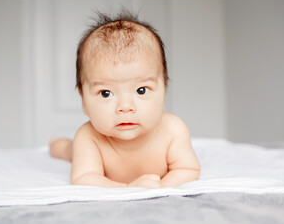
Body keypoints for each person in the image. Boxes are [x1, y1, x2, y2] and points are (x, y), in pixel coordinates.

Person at [50, 10, 200, 188]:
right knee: (69, 150)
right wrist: (128, 190)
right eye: (106, 93)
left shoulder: (173, 130)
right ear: (83, 101)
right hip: (79, 149)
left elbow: (188, 169)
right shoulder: (89, 137)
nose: (125, 107)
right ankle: (56, 144)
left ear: (163, 90)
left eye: (141, 90)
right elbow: (84, 178)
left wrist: (163, 187)